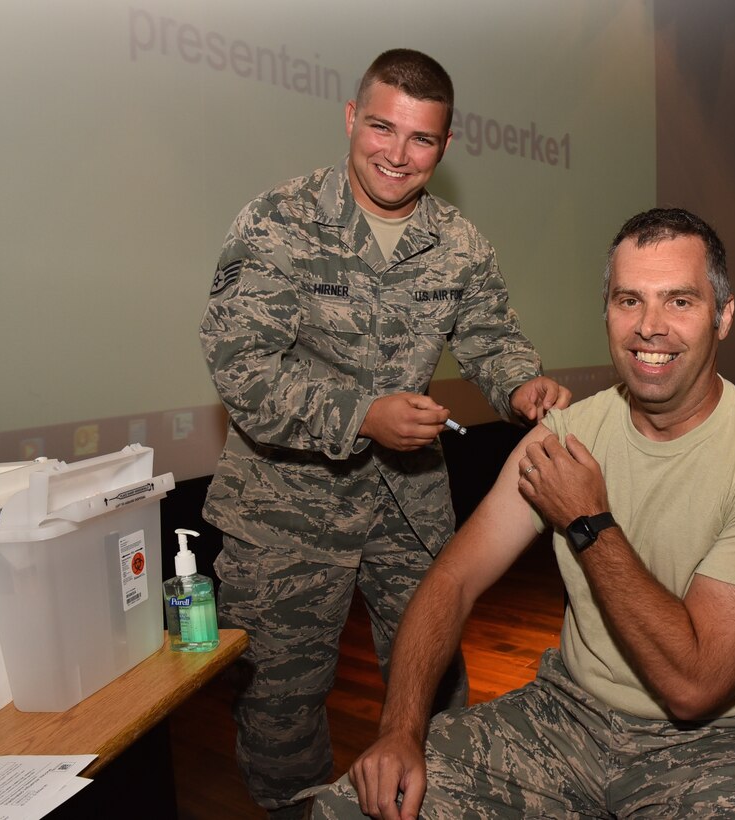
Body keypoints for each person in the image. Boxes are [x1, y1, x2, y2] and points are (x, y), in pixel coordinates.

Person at [310, 207, 735, 819]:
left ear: (723, 315)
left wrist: (589, 523)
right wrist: (401, 728)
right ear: (606, 311)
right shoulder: (565, 437)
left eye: (680, 302)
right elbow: (452, 580)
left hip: (720, 745)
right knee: (356, 807)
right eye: (629, 300)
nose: (649, 327)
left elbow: (695, 688)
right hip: (567, 717)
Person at [199, 48, 570, 818]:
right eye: (381, 128)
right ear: (350, 119)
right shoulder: (279, 221)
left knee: (432, 683)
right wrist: (361, 415)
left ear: (444, 145)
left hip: (408, 508)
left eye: (421, 140)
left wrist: (519, 383)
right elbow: (240, 368)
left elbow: (492, 337)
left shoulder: (459, 243)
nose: (397, 155)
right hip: (284, 514)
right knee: (279, 702)